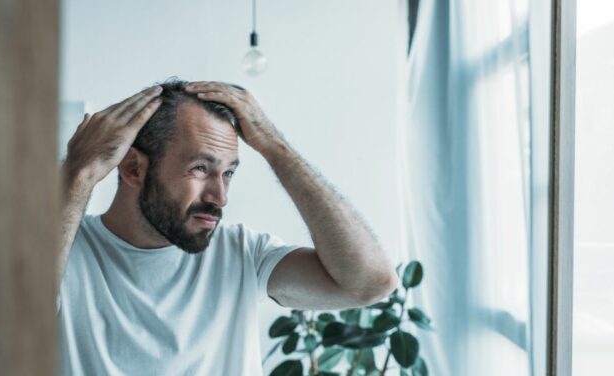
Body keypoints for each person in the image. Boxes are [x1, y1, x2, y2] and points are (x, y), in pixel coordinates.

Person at [57, 79, 398, 375]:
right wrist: (78, 174)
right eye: (201, 168)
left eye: (229, 173)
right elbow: (8, 321)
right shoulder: (64, 249)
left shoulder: (242, 254)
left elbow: (369, 283)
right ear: (133, 168)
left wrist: (273, 145)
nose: (220, 197)